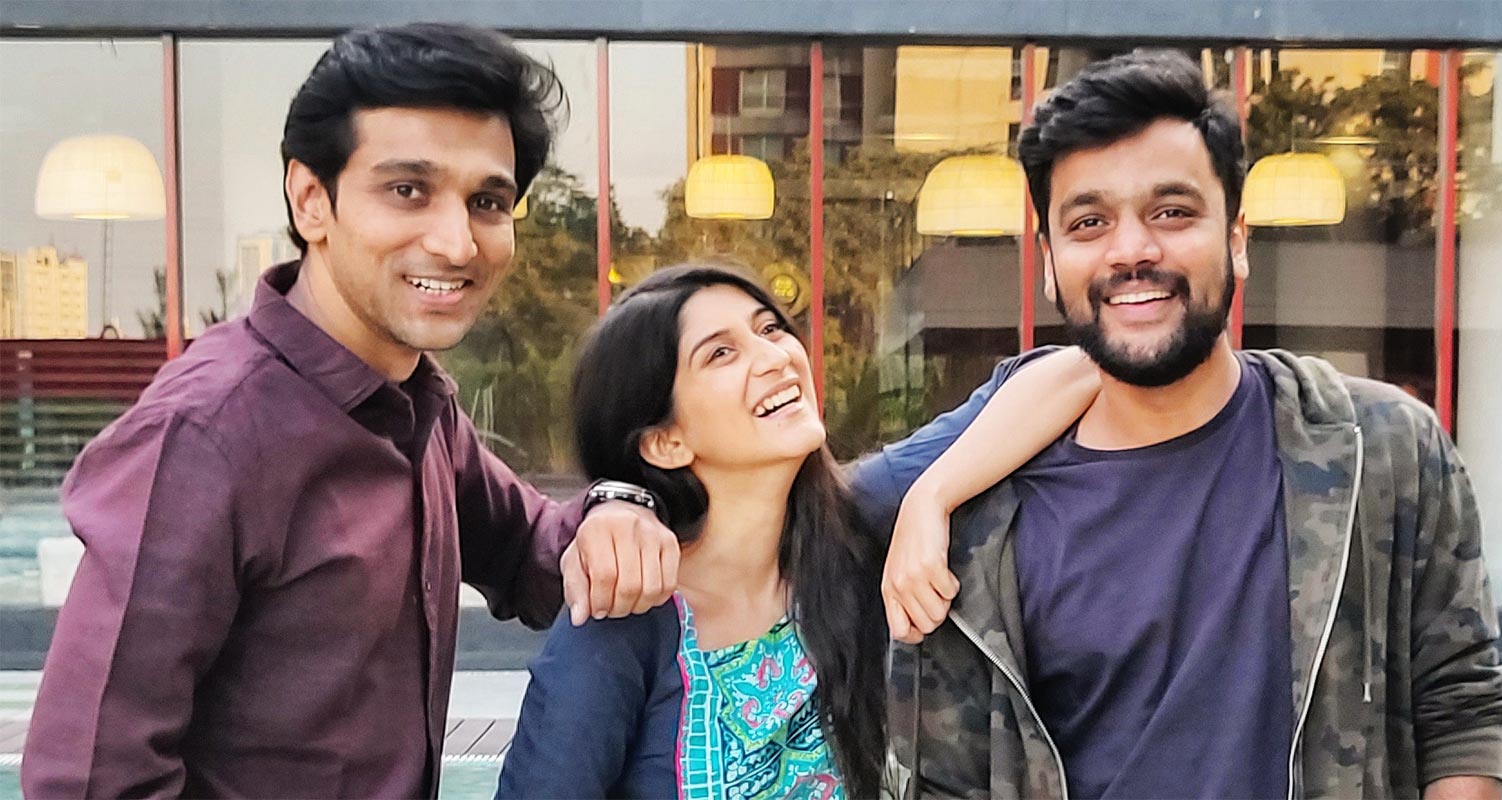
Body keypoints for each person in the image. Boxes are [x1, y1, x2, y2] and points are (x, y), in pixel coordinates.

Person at [21, 24, 679, 799]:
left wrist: (621, 506)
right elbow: (89, 779)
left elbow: (534, 554)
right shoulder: (205, 436)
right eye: (408, 191)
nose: (457, 243)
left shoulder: (419, 406)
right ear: (311, 200)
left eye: (487, 202)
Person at [871, 51, 1502, 799]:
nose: (1132, 251)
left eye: (1172, 213)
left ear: (1237, 238)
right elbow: (944, 774)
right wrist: (928, 496)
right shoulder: (983, 521)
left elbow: (1459, 709)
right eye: (1089, 222)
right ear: (1049, 261)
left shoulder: (1384, 449)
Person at [495, 265, 1100, 799]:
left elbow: (1075, 370)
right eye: (721, 354)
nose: (775, 356)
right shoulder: (624, 614)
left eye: (770, 329)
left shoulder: (860, 514)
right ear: (665, 442)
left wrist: (932, 497)